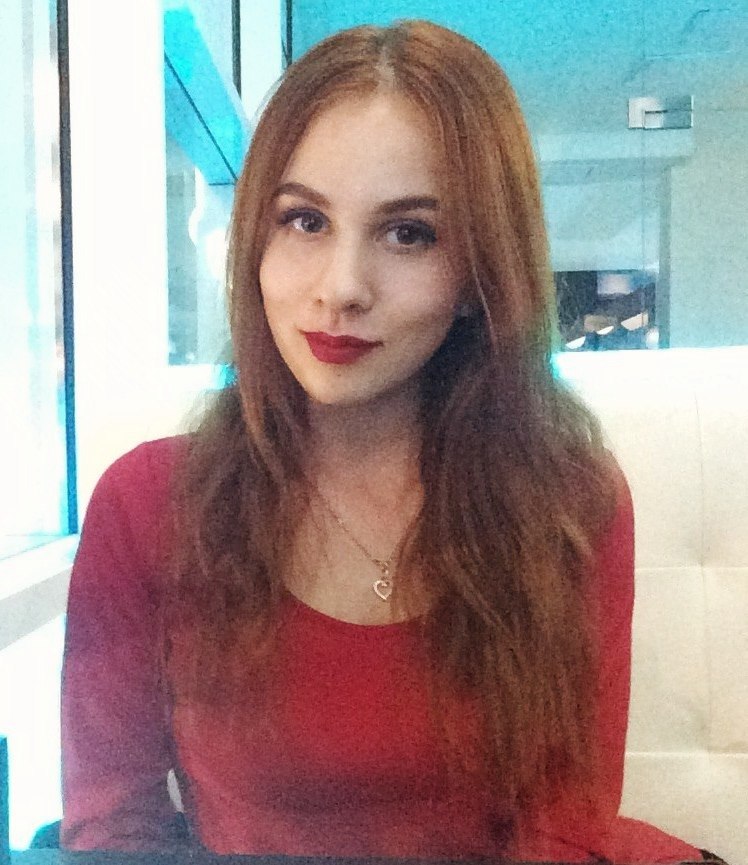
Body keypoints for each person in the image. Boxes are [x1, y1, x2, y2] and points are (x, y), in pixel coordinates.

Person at [61, 19, 707, 862]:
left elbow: (564, 825)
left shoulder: (568, 499)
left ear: (479, 274)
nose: (342, 288)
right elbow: (114, 833)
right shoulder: (148, 504)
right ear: (255, 240)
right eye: (304, 221)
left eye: (409, 233)